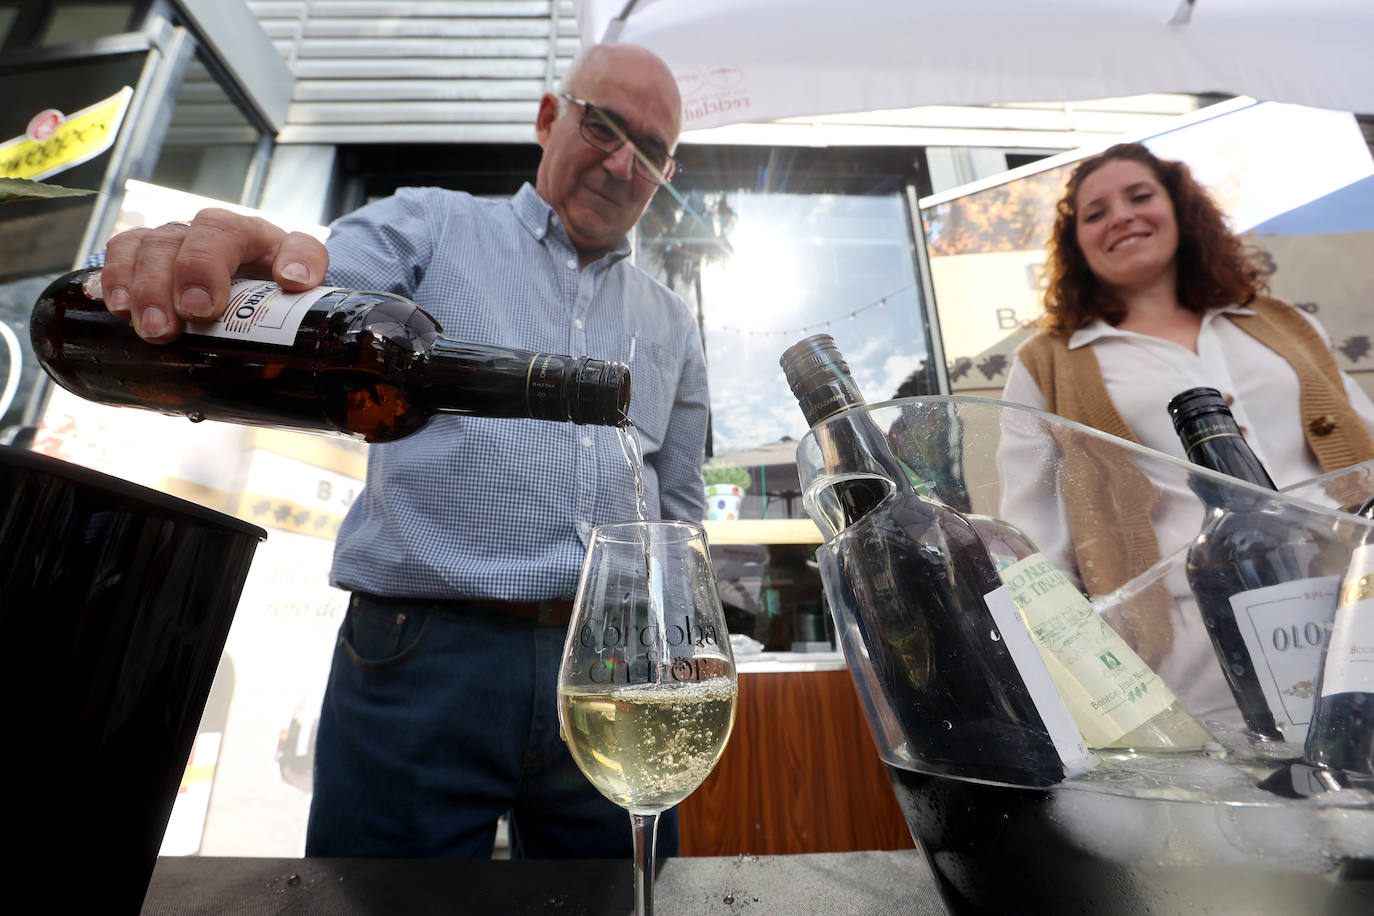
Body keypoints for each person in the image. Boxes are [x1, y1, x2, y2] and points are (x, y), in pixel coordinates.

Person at [95, 43, 709, 859]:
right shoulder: (429, 223)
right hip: (425, 655)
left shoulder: (673, 322)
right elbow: (311, 291)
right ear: (549, 116)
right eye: (603, 126)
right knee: (379, 902)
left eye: (654, 152)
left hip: (613, 671)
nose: (625, 163)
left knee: (621, 905)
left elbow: (681, 509)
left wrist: (689, 642)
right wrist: (250, 269)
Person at [997, 142, 1374, 722]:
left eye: (1140, 196)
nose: (1120, 215)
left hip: (1352, 596)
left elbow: (1363, 443)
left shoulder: (1278, 321)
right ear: (1077, 245)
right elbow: (1032, 537)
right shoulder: (1049, 360)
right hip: (1191, 634)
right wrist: (1078, 670)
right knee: (1254, 795)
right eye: (1094, 213)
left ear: (1180, 211)